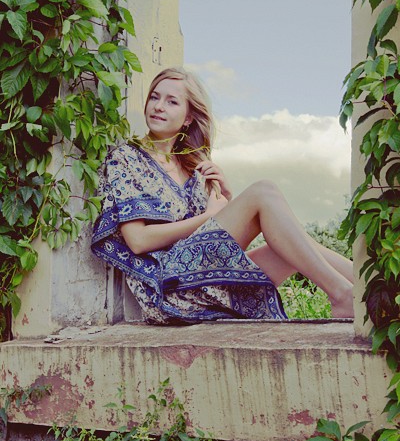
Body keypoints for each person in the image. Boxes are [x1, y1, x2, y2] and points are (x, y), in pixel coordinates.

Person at [91, 67, 354, 324]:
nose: (159, 106)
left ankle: (367, 288)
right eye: (155, 97)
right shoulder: (126, 158)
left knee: (294, 245)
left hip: (201, 277)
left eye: (172, 101)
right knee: (264, 191)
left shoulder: (194, 168)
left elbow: (214, 242)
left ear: (188, 118)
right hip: (167, 285)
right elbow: (137, 241)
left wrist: (226, 199)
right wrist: (210, 217)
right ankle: (342, 295)